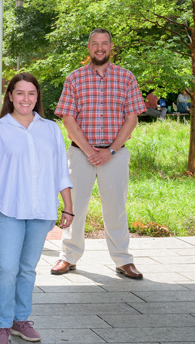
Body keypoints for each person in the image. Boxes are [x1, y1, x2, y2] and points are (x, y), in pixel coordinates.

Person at [0, 73, 74, 344]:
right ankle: (2, 324)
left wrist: (68, 206)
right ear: (10, 96)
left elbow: (60, 172)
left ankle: (21, 320)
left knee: (27, 269)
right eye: (19, 93)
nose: (25, 99)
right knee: (7, 267)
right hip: (8, 209)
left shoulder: (51, 130)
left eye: (31, 93)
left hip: (41, 210)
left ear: (37, 97)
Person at [51, 28, 146, 280]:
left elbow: (131, 118)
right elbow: (68, 119)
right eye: (95, 43)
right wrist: (90, 151)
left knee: (116, 208)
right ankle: (68, 257)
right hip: (80, 153)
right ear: (89, 47)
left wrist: (110, 150)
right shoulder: (74, 78)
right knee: (74, 207)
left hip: (114, 154)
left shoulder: (126, 78)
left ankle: (123, 260)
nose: (100, 48)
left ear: (111, 46)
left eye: (104, 43)